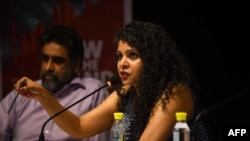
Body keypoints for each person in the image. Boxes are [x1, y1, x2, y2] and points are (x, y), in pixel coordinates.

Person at [13, 21, 210, 141]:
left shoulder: (174, 94)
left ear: (152, 60)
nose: (122, 64)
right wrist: (43, 95)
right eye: (119, 56)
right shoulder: (125, 94)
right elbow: (79, 127)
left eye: (132, 55)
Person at [0, 25, 111, 141]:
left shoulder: (93, 92)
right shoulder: (23, 93)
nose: (48, 67)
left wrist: (43, 95)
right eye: (45, 58)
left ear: (76, 65)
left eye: (58, 61)